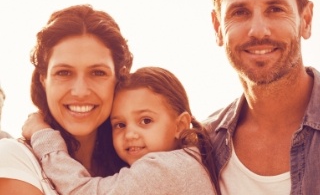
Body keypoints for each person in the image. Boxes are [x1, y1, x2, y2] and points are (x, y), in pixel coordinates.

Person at [0, 4, 133, 194]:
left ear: (119, 79)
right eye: (64, 72)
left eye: (97, 72)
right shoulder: (13, 160)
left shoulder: (139, 164)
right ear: (43, 79)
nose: (80, 91)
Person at [22, 66, 219, 195]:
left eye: (146, 120)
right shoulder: (189, 161)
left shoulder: (167, 169)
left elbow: (81, 191)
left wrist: (43, 135)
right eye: (120, 125)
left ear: (180, 125)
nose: (130, 134)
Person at [205, 0, 318, 194]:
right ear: (218, 27)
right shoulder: (203, 146)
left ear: (305, 20)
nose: (258, 31)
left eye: (275, 9)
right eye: (239, 12)